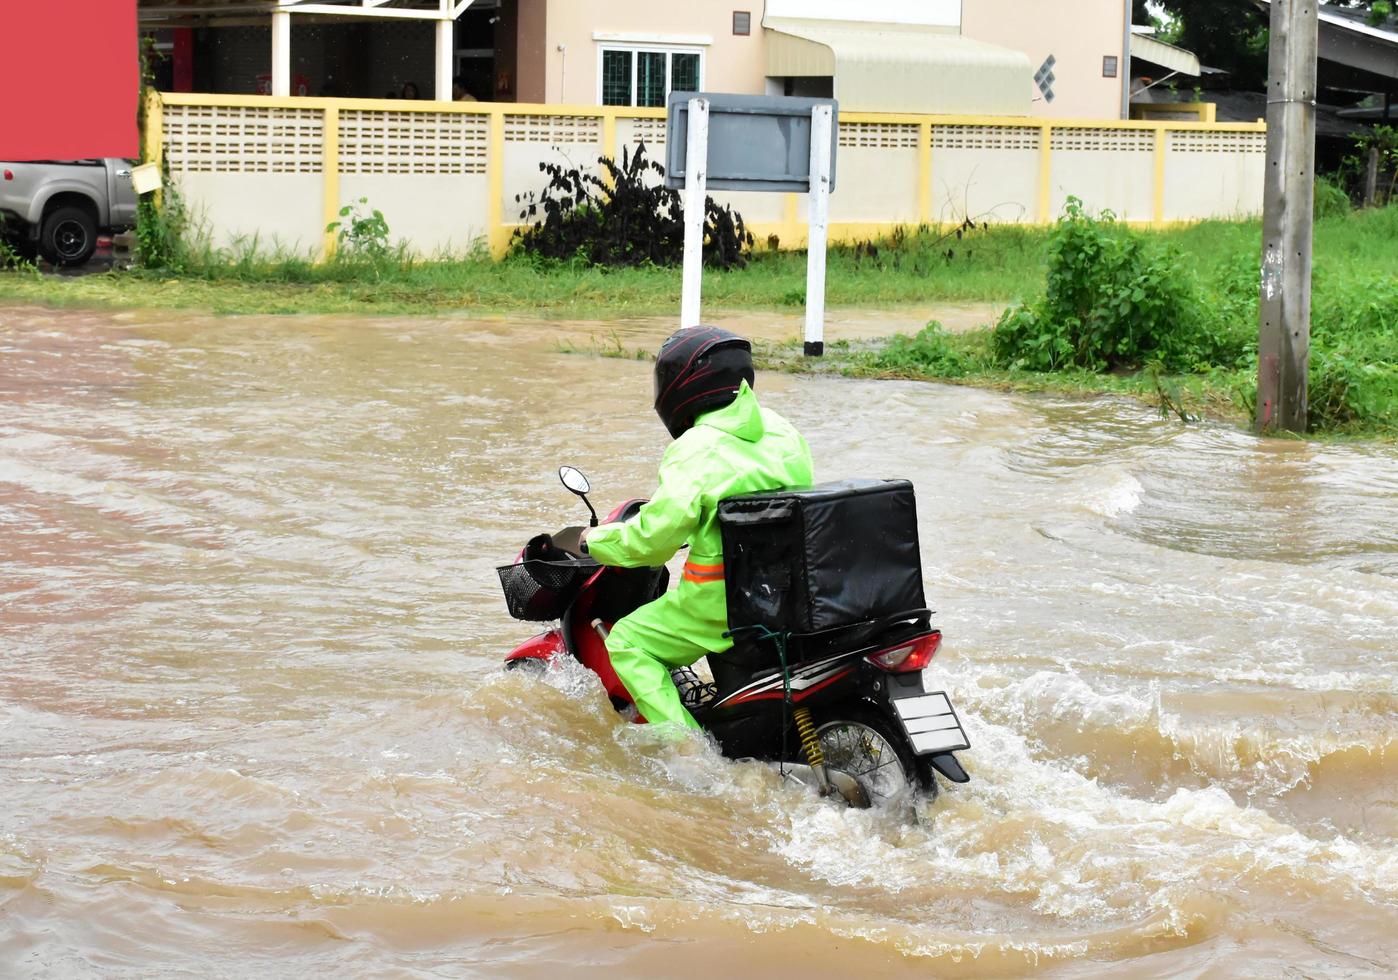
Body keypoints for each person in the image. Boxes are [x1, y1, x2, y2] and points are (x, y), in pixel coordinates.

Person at [581, 326, 814, 732]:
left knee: (628, 640)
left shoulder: (695, 447)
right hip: (789, 591)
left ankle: (686, 749)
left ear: (683, 386)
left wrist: (594, 542)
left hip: (722, 604)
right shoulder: (782, 430)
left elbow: (653, 543)